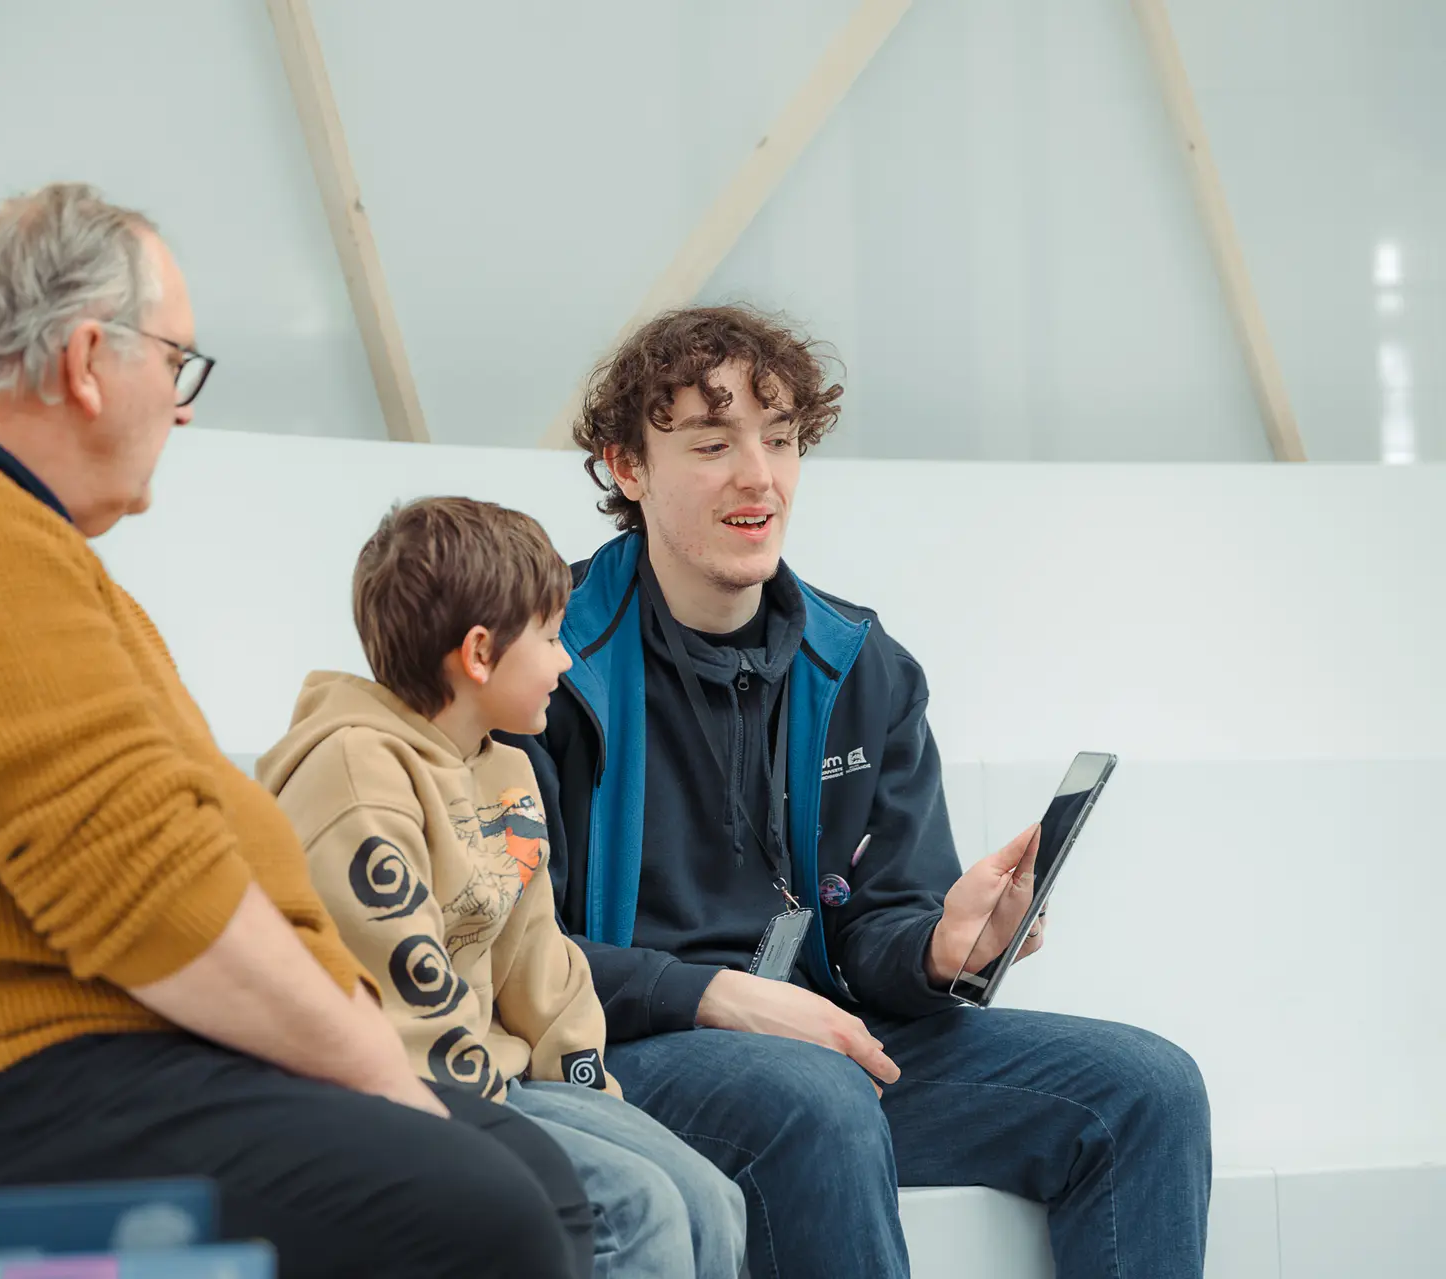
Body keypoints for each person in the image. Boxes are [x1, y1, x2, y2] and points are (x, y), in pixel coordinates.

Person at [0, 183, 593, 1279]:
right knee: (484, 1213)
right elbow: (146, 885)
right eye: (176, 362)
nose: (184, 404)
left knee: (531, 1179)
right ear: (83, 356)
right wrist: (378, 1075)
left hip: (52, 1072)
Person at [506, 304, 1213, 1279]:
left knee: (1147, 1089)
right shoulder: (536, 658)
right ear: (629, 468)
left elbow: (879, 923)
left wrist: (937, 944)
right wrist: (717, 998)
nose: (759, 475)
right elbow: (508, 943)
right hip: (619, 1053)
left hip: (825, 1044)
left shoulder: (861, 666)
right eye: (712, 443)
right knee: (814, 1094)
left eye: (783, 439)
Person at [258, 497, 748, 1279]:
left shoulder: (506, 765)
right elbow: (398, 1006)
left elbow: (535, 963)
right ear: (480, 653)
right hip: (406, 1097)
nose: (565, 661)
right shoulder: (356, 773)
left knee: (712, 1196)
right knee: (637, 1209)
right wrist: (522, 1109)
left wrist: (590, 1089)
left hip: (503, 1081)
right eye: (551, 637)